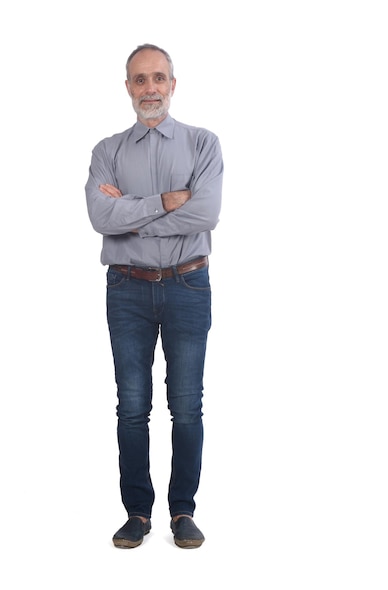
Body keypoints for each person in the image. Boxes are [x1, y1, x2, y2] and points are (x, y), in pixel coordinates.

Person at [86, 44, 223, 549]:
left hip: (188, 284)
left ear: (173, 83)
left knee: (186, 405)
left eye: (158, 78)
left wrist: (132, 209)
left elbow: (205, 214)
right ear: (128, 87)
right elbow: (101, 219)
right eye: (140, 80)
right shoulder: (107, 152)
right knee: (131, 405)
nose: (150, 88)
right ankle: (137, 514)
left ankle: (182, 512)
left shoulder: (203, 143)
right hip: (126, 288)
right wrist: (168, 200)